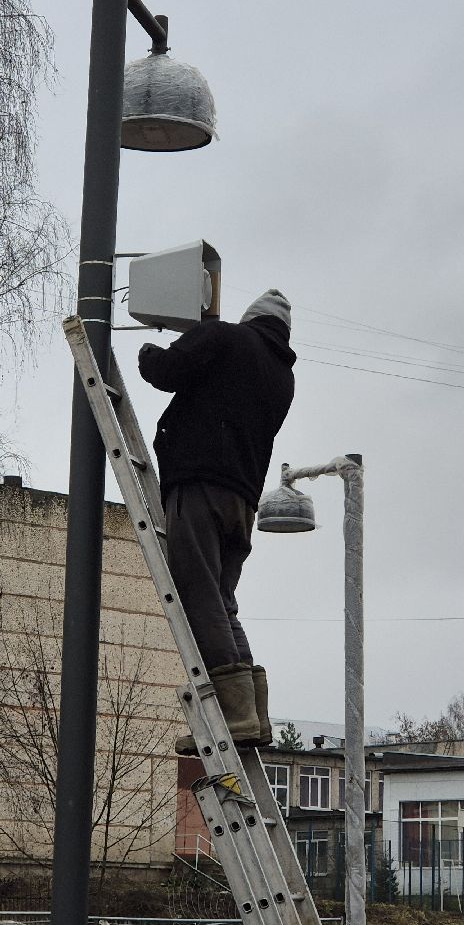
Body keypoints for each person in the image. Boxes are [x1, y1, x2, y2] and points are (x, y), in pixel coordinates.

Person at [138, 289, 295, 753]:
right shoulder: (283, 376)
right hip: (242, 502)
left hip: (199, 485)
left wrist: (148, 351)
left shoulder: (225, 338)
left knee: (200, 597)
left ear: (252, 320)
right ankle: (253, 716)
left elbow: (167, 371)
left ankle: (235, 716)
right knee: (223, 602)